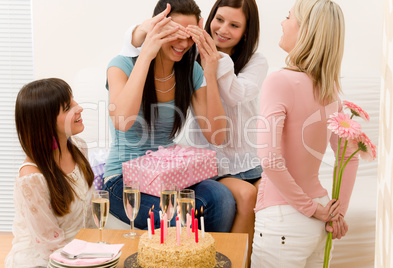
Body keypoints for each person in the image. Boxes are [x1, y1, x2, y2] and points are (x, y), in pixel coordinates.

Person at [121, 1, 267, 263]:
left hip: (241, 161)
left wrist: (212, 64)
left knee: (247, 196)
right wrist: (146, 34)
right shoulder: (186, 58)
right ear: (208, 21)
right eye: (219, 20)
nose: (223, 30)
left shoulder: (242, 62)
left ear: (246, 31)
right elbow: (132, 43)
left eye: (234, 25)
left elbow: (235, 98)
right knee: (241, 196)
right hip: (210, 163)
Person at [103, 0, 236, 232]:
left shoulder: (190, 71)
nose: (183, 43)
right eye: (175, 34)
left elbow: (217, 136)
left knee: (221, 197)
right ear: (158, 29)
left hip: (170, 176)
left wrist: (210, 73)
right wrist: (146, 54)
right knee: (177, 216)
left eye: (189, 36)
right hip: (124, 181)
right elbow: (121, 121)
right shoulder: (121, 65)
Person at [251, 0, 359, 267]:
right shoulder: (329, 91)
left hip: (283, 222)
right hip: (319, 224)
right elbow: (352, 157)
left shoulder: (279, 81)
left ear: (305, 30)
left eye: (288, 17)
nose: (282, 23)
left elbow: (270, 160)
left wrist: (313, 210)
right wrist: (336, 213)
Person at [5, 78, 95, 267]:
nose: (79, 108)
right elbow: (50, 247)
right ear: (45, 123)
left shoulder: (79, 149)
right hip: (48, 261)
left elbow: (89, 218)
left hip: (82, 252)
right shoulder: (31, 178)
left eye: (73, 100)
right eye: (67, 108)